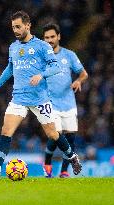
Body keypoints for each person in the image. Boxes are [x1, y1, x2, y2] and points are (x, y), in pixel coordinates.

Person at [0, 10, 82, 180]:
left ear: (28, 25)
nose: (15, 30)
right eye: (13, 27)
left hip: (40, 99)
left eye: (18, 27)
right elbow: (10, 68)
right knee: (6, 131)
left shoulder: (42, 46)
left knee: (53, 134)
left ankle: (72, 157)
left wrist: (41, 75)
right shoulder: (13, 47)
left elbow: (56, 66)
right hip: (18, 98)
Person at [42, 23, 88, 178]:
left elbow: (83, 73)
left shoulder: (69, 55)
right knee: (56, 134)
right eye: (46, 37)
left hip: (68, 103)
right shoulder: (41, 58)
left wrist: (79, 81)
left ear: (58, 36)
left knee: (70, 138)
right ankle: (47, 161)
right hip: (50, 104)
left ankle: (63, 171)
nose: (49, 40)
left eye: (52, 37)